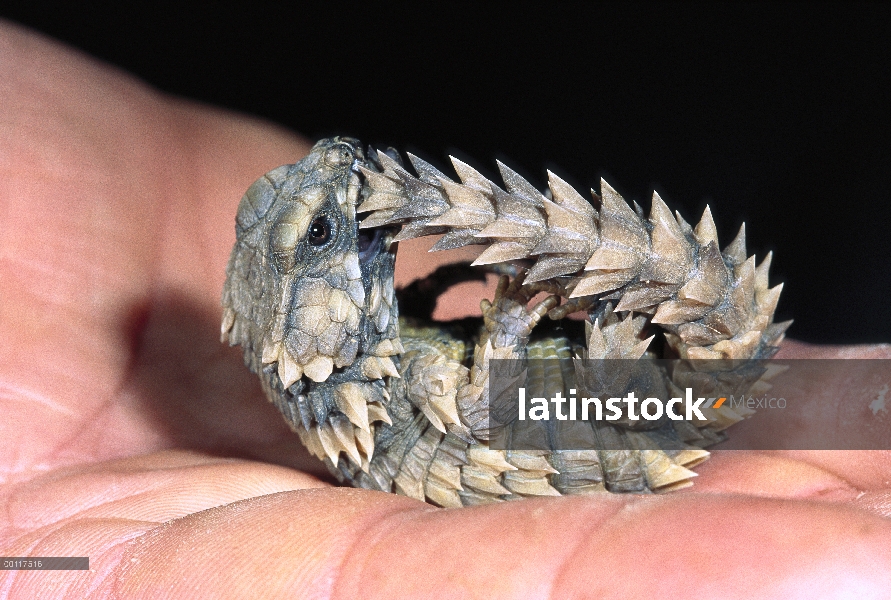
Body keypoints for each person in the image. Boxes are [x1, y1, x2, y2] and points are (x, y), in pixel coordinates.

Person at [1, 20, 889, 598]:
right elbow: (470, 410)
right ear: (323, 330)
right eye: (318, 241)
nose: (332, 179)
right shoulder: (384, 398)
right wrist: (504, 329)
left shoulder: (367, 357)